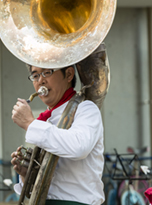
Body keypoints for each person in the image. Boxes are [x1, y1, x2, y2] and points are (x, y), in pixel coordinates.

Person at [10, 66, 104, 205]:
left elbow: (79, 147)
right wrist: (27, 174)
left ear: (69, 74)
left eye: (47, 72)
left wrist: (30, 124)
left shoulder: (86, 109)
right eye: (35, 76)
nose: (41, 80)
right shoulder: (45, 121)